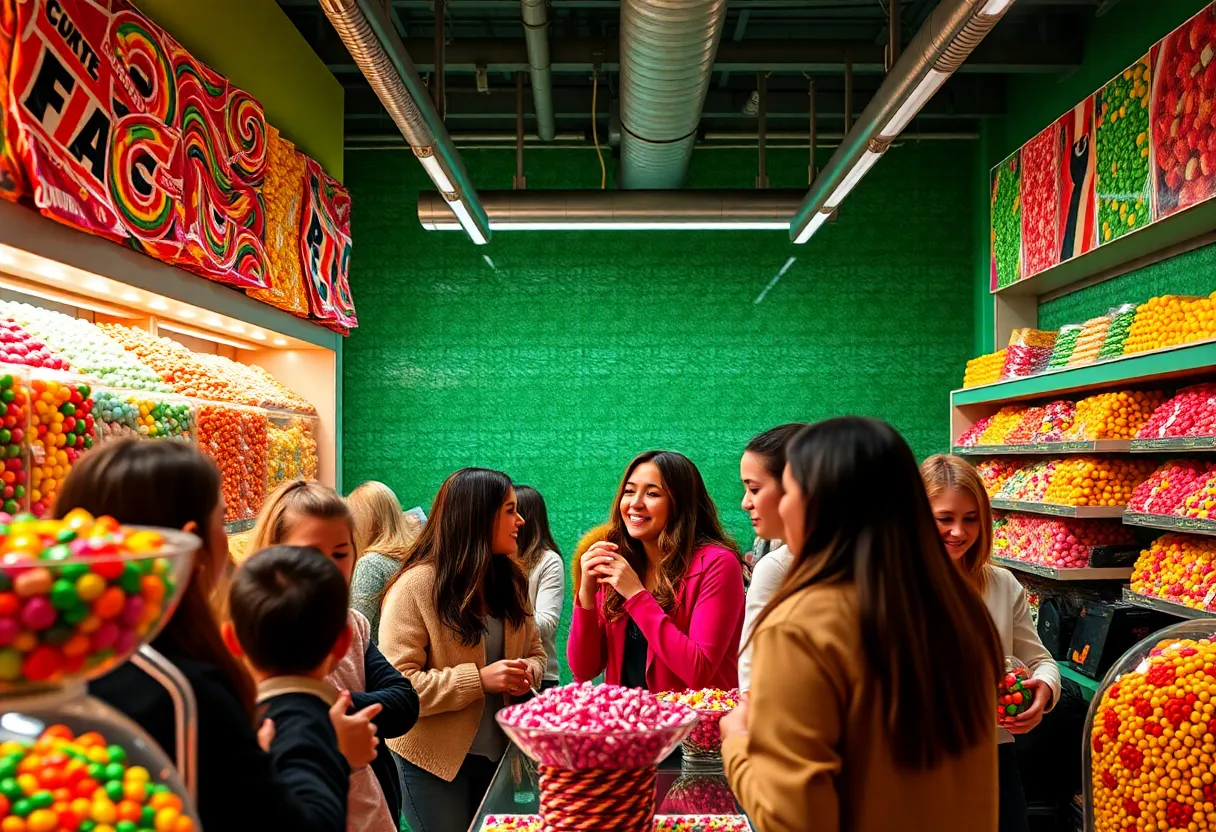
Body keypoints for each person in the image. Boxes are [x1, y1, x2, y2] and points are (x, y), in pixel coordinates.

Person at [720, 418, 1002, 832]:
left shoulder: (804, 623)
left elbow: (795, 818)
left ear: (822, 502)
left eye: (790, 490)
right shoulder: (960, 607)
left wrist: (739, 743)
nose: (779, 506)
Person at [70, 441, 349, 832]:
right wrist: (325, 743)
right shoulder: (183, 691)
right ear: (191, 544)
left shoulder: (71, 667)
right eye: (220, 522)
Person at [379, 468, 546, 832]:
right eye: (509, 510)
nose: (521, 520)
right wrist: (479, 680)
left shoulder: (513, 583)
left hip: (499, 759)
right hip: (431, 763)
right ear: (477, 516)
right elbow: (398, 689)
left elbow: (536, 653)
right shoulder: (414, 587)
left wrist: (526, 673)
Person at [250, 481, 420, 832]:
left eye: (340, 554)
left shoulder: (351, 624)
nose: (327, 570)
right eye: (310, 553)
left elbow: (404, 701)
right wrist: (328, 727)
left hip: (373, 811)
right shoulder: (257, 634)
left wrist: (332, 710)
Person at [921, 454, 1061, 832]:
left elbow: (1041, 661)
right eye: (944, 519)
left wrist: (1043, 690)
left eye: (971, 519)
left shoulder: (1002, 585)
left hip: (990, 758)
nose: (958, 532)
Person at [224, 546, 376, 832]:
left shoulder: (237, 715)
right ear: (342, 644)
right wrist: (340, 756)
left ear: (232, 641)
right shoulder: (305, 725)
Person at [568, 450, 745, 692]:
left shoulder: (717, 564)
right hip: (629, 726)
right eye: (629, 491)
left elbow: (698, 671)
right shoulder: (619, 560)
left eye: (652, 493)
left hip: (694, 727)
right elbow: (584, 669)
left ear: (680, 504)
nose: (635, 504)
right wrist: (586, 595)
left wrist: (637, 596)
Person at [738, 423, 807, 692]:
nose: (745, 503)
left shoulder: (776, 567)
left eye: (754, 489)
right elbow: (752, 675)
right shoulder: (774, 565)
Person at [348, 481, 422, 640]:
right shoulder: (416, 556)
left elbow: (358, 632)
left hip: (378, 660)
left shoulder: (371, 564)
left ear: (364, 522)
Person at [513, 485, 565, 690]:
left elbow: (547, 623)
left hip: (539, 676)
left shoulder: (548, 561)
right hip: (498, 672)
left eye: (512, 511)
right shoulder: (493, 557)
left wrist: (504, 620)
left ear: (525, 519)